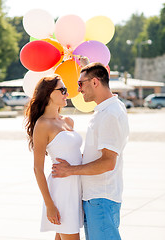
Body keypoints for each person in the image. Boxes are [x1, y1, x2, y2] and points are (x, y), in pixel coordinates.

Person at [52, 62, 129, 240]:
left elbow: (108, 162)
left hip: (101, 198)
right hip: (96, 198)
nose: (78, 89)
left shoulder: (110, 113)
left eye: (80, 83)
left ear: (95, 82)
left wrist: (69, 170)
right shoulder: (107, 109)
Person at [24, 74, 83, 240]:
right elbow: (37, 169)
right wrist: (49, 204)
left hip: (76, 188)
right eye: (62, 90)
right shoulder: (43, 125)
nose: (67, 94)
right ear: (49, 93)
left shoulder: (69, 121)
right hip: (61, 191)